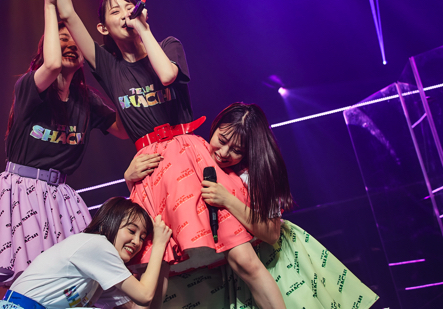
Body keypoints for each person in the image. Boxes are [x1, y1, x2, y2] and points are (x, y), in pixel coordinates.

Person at [35, 0, 286, 309]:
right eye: (114, 11)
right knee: (156, 276)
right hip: (152, 167)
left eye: (128, 6)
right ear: (103, 27)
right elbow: (67, 12)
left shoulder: (168, 45)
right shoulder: (108, 66)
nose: (124, 13)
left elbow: (167, 75)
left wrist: (143, 30)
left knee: (242, 258)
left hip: (191, 157)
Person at [0, 0, 127, 298]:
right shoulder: (29, 87)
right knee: (17, 286)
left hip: (61, 199)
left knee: (72, 288)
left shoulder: (88, 101)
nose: (70, 44)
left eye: (75, 41)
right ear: (46, 48)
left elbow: (127, 130)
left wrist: (118, 74)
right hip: (19, 193)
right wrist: (49, 4)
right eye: (62, 39)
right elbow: (52, 65)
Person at [159, 102, 378, 308]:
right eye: (222, 140)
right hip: (236, 267)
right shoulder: (197, 161)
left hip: (277, 260)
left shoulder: (257, 172)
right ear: (214, 127)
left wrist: (227, 199)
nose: (224, 153)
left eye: (237, 150)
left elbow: (271, 234)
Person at [0, 197, 173, 309]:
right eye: (131, 231)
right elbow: (144, 295)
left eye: (142, 238)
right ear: (110, 222)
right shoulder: (97, 246)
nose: (137, 242)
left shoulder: (100, 274)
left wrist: (164, 262)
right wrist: (158, 245)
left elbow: (141, 306)